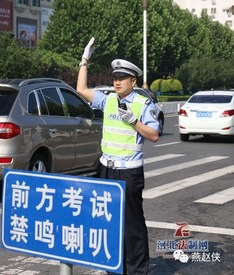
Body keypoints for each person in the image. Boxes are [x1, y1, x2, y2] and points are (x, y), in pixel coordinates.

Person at [76, 37, 159, 275]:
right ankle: (115, 265)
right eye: (114, 78)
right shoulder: (109, 100)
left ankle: (137, 269)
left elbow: (153, 135)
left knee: (132, 223)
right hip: (106, 168)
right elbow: (81, 90)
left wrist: (133, 121)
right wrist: (85, 59)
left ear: (133, 80)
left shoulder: (143, 104)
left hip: (129, 171)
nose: (117, 82)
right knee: (108, 221)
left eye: (122, 78)